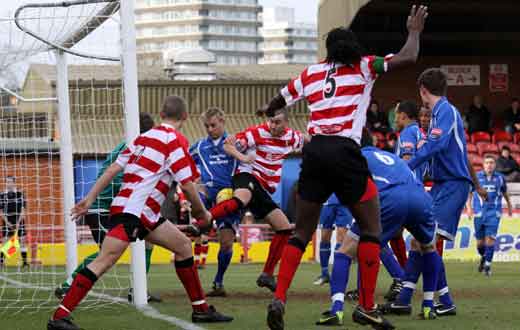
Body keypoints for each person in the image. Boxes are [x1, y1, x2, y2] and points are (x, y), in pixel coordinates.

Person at [257, 5, 429, 330]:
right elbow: (407, 57)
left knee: (301, 232)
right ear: (352, 47)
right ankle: (365, 306)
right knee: (371, 229)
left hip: (315, 152)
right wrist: (415, 31)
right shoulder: (364, 67)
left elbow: (280, 99)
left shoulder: (311, 73)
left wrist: (267, 109)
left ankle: (279, 296)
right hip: (346, 152)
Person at [47, 96, 233, 330]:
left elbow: (114, 168)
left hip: (144, 213)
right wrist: (203, 213)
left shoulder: (141, 138)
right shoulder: (176, 140)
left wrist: (90, 197)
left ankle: (201, 309)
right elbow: (187, 184)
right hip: (133, 212)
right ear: (185, 117)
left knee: (184, 247)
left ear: (161, 115)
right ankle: (59, 317)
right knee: (104, 260)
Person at [317, 146, 442, 326]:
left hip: (390, 198)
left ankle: (337, 310)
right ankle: (429, 305)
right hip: (420, 197)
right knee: (428, 247)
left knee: (346, 250)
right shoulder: (391, 157)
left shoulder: (357, 158)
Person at [54, 113, 161, 303]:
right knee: (108, 253)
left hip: (109, 208)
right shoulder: (137, 150)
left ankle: (138, 289)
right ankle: (68, 286)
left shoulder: (128, 146)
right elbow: (123, 181)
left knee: (146, 242)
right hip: (102, 209)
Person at [406, 68, 487, 317]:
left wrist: (406, 165)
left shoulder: (445, 111)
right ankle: (408, 297)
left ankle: (433, 302)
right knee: (420, 240)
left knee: (427, 241)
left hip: (452, 184)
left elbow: (436, 145)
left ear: (423, 90)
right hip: (444, 184)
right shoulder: (441, 113)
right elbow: (452, 152)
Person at [196, 108, 304, 294]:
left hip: (260, 189)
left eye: (277, 122)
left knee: (284, 228)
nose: (272, 125)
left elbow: (307, 138)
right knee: (242, 198)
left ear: (286, 123)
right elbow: (228, 146)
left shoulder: (292, 137)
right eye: (270, 121)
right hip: (245, 178)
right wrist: (243, 156)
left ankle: (267, 274)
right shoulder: (256, 132)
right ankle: (204, 218)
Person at [189, 107, 239, 296]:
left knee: (226, 243)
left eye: (213, 125)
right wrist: (195, 182)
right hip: (207, 197)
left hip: (228, 199)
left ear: (223, 121)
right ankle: (196, 226)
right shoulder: (200, 146)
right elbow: (183, 161)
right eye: (206, 126)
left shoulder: (235, 143)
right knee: (193, 232)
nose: (210, 129)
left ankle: (218, 282)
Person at [467, 155, 513, 276]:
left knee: (490, 240)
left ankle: (487, 265)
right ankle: (484, 256)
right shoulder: (476, 177)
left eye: (492, 162)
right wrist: (469, 208)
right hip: (479, 213)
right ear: (483, 165)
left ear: (495, 165)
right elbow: (470, 193)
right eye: (487, 163)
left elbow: (505, 193)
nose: (489, 165)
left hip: (494, 213)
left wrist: (509, 207)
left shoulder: (500, 178)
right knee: (480, 243)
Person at [313, 194, 352, 286]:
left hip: (345, 201)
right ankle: (324, 273)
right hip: (327, 201)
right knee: (324, 237)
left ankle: (336, 275)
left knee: (341, 238)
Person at [0, 176, 28, 268]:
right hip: (7, 220)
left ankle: (25, 263)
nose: (9, 184)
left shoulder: (20, 194)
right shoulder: (2, 195)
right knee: (5, 241)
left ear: (14, 183)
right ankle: (1, 262)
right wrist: (7, 222)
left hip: (19, 220)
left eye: (10, 182)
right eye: (7, 182)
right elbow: (1, 212)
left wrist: (18, 222)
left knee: (22, 240)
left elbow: (23, 210)